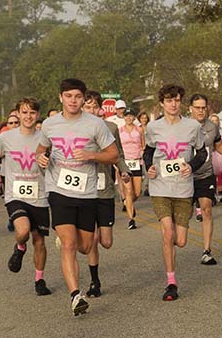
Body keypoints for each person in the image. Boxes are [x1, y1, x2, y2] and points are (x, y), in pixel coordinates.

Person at [35, 78, 118, 316]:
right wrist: (41, 158)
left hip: (87, 192)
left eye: (78, 96)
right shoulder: (50, 124)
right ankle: (75, 295)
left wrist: (92, 155)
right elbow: (41, 150)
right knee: (70, 244)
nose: (73, 101)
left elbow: (113, 155)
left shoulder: (95, 124)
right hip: (58, 190)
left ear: (83, 99)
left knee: (84, 246)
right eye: (69, 96)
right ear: (61, 97)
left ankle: (66, 239)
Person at [143, 84, 207, 301]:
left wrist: (191, 166)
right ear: (162, 103)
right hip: (160, 187)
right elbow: (148, 152)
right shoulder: (153, 127)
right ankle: (171, 282)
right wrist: (149, 167)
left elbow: (202, 153)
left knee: (180, 241)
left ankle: (169, 249)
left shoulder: (192, 126)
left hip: (183, 188)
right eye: (169, 100)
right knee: (167, 232)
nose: (173, 104)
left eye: (177, 100)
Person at [0, 97, 52, 296]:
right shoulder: (7, 137)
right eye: (24, 112)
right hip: (15, 194)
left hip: (40, 194)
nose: (28, 116)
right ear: (17, 114)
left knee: (39, 241)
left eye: (32, 112)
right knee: (23, 230)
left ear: (38, 115)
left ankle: (39, 280)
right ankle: (20, 246)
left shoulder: (45, 138)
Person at [80, 90, 131, 297]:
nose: (91, 110)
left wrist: (124, 170)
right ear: (82, 108)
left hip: (104, 189)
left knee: (106, 242)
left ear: (100, 109)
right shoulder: (75, 130)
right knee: (91, 239)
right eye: (88, 106)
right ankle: (95, 281)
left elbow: (118, 154)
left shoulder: (110, 128)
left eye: (95, 107)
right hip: (83, 190)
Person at [189, 93, 222, 265]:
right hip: (186, 176)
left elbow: (218, 145)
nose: (201, 111)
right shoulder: (184, 126)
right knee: (184, 215)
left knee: (207, 209)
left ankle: (206, 251)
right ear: (190, 109)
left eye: (204, 108)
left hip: (205, 174)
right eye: (197, 108)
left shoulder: (212, 127)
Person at [119, 108, 145, 229]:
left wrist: (142, 152)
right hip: (125, 163)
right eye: (126, 116)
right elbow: (117, 147)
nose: (128, 118)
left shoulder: (139, 130)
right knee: (128, 190)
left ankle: (128, 203)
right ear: (123, 117)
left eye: (131, 116)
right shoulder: (119, 131)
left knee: (137, 192)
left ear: (134, 117)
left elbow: (143, 144)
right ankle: (131, 219)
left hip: (136, 162)